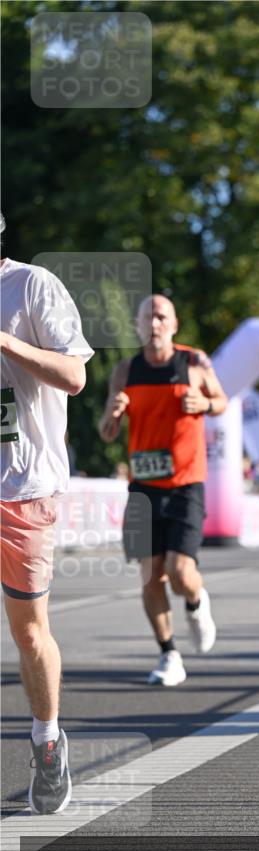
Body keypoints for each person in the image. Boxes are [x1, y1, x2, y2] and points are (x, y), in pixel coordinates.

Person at [1, 215, 93, 813]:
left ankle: (46, 740)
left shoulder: (32, 286)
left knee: (29, 632)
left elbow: (75, 376)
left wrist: (4, 340)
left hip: (23, 489)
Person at [98, 294, 227, 685]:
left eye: (161, 316)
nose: (154, 324)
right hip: (142, 487)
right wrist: (114, 413)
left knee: (180, 571)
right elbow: (106, 434)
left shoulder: (195, 362)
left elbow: (222, 400)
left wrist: (204, 403)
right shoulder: (125, 371)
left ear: (174, 323)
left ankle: (195, 600)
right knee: (150, 575)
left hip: (186, 483)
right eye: (147, 318)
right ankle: (169, 654)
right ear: (138, 326)